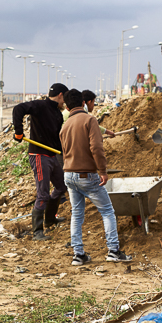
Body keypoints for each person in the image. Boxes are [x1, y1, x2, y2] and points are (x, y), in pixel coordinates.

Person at [60, 89, 133, 265]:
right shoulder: (89, 120)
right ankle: (113, 251)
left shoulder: (65, 125)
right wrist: (103, 171)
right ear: (83, 103)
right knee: (107, 211)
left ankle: (79, 255)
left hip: (68, 175)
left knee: (77, 214)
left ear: (67, 106)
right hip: (87, 174)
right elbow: (97, 148)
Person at [12, 83, 67, 240]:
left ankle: (50, 219)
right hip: (39, 155)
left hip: (51, 155)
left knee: (61, 185)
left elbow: (56, 137)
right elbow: (18, 109)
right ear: (61, 95)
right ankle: (37, 231)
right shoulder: (40, 105)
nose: (64, 103)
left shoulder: (57, 113)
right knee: (42, 194)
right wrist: (18, 131)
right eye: (64, 99)